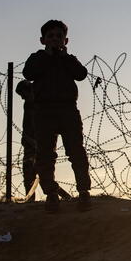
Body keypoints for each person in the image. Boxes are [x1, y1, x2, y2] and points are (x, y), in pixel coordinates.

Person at [22, 19, 92, 213]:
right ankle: (51, 194)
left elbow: (81, 74)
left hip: (68, 110)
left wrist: (65, 57)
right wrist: (47, 56)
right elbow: (28, 73)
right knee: (45, 154)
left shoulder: (69, 60)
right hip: (44, 112)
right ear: (42, 40)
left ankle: (84, 191)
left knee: (76, 151)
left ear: (65, 41)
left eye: (59, 36)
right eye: (50, 36)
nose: (55, 39)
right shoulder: (37, 58)